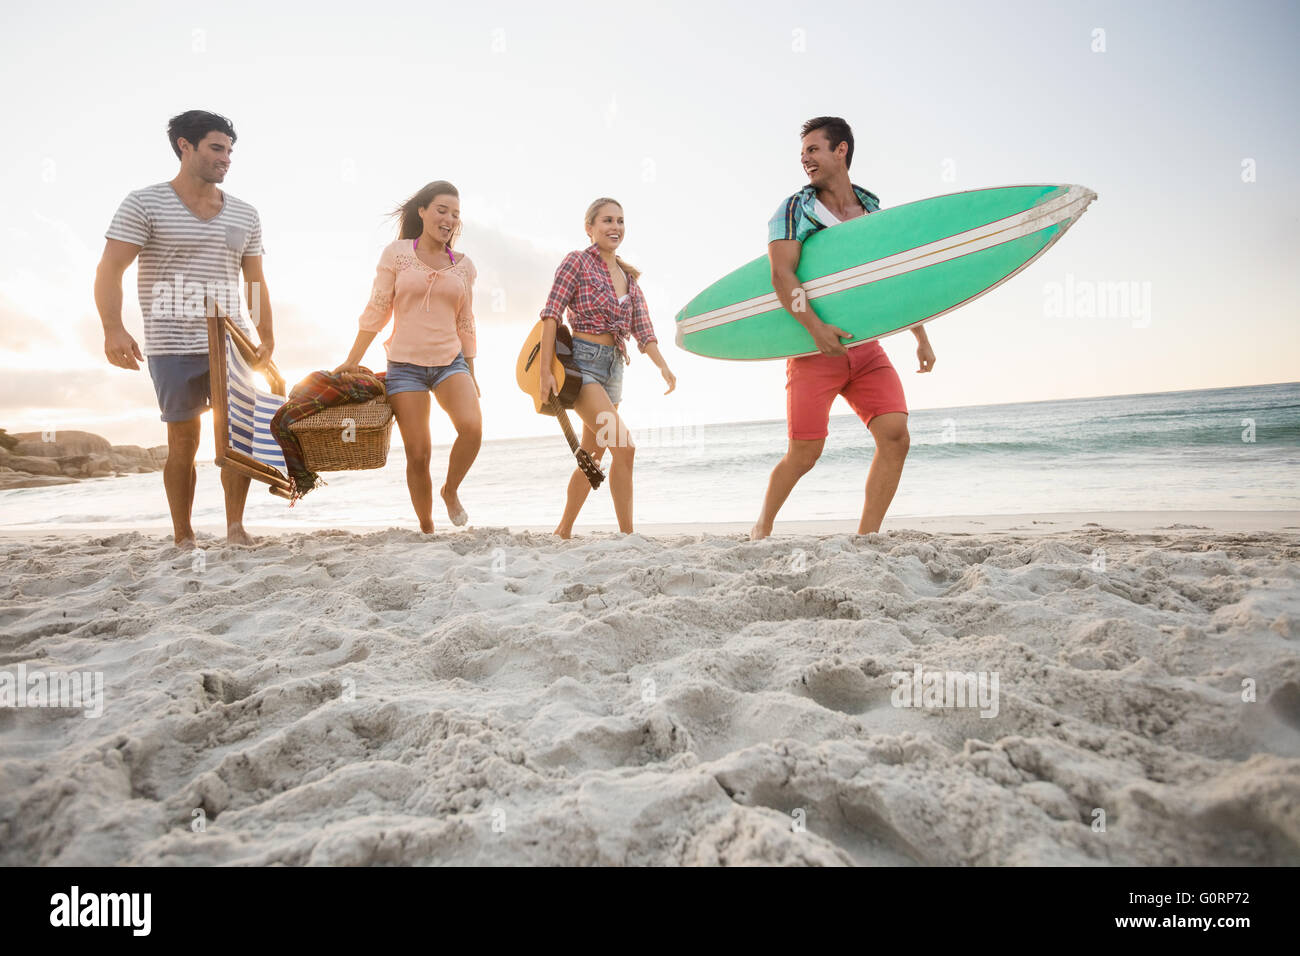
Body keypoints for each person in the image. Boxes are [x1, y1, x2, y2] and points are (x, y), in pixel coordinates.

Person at [95, 109, 274, 548]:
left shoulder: (246, 215)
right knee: (183, 440)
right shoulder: (144, 203)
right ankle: (184, 535)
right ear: (185, 146)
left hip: (230, 342)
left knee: (238, 438)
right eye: (216, 148)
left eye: (230, 151)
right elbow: (110, 269)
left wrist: (265, 334)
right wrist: (112, 328)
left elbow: (253, 281)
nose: (226, 158)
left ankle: (235, 528)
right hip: (170, 344)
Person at [751, 116, 936, 540]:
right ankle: (762, 526)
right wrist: (815, 329)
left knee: (896, 435)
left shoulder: (870, 208)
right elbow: (782, 275)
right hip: (813, 351)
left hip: (867, 348)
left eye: (813, 150)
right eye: (802, 154)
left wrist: (920, 336)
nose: (805, 160)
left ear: (841, 150)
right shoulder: (794, 208)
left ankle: (866, 538)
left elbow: (892, 276)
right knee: (805, 453)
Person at [336, 181, 481, 534]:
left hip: (451, 362)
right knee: (418, 453)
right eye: (442, 210)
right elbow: (378, 307)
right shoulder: (397, 253)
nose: (449, 220)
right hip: (405, 368)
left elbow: (465, 321)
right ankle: (427, 527)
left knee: (472, 429)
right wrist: (352, 358)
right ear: (422, 211)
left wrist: (472, 370)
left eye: (455, 215)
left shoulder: (464, 266)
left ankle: (450, 489)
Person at [537, 198, 676, 538]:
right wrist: (544, 372)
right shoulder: (577, 263)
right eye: (607, 221)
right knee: (625, 447)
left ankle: (562, 531)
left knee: (592, 456)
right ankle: (628, 536)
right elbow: (551, 314)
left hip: (615, 370)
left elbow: (644, 332)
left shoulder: (630, 280)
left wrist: (663, 367)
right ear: (590, 228)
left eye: (620, 221)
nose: (615, 227)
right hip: (582, 367)